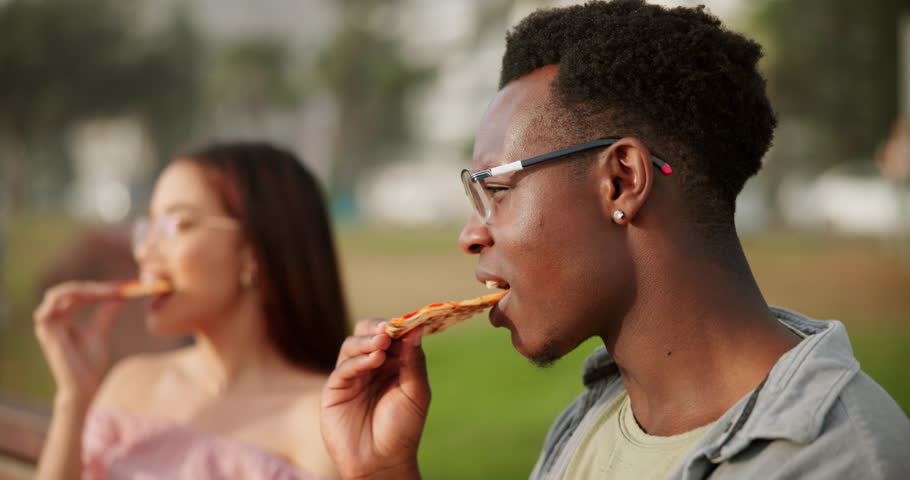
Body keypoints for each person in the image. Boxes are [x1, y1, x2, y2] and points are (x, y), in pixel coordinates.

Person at [319, 1, 910, 479]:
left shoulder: (833, 458)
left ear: (622, 180)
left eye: (496, 189)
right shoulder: (596, 422)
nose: (471, 235)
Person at [34, 142, 348, 479]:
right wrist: (73, 397)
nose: (145, 253)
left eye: (177, 226)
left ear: (253, 250)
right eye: (149, 228)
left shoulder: (324, 417)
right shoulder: (131, 381)